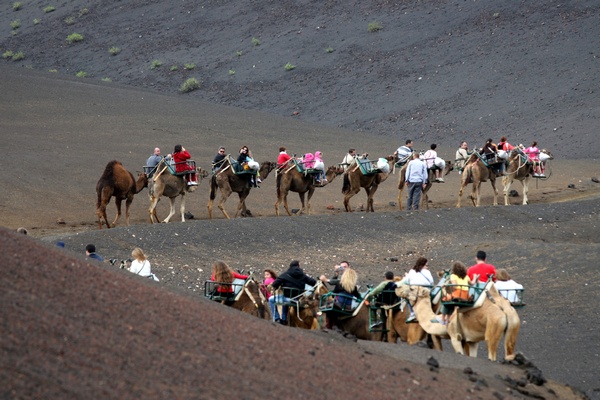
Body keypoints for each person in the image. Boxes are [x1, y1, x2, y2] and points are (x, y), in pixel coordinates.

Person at [269, 260, 317, 325]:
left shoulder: (285, 274)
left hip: (286, 299)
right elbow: (314, 283)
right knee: (285, 302)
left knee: (271, 299)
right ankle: (284, 319)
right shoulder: (303, 275)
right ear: (298, 266)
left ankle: (277, 318)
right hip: (298, 300)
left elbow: (275, 284)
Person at [399, 257, 434, 322]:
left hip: (414, 291)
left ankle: (412, 313)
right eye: (426, 265)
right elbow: (431, 282)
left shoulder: (412, 271)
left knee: (407, 297)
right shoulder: (427, 272)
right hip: (425, 291)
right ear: (422, 265)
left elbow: (407, 281)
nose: (427, 267)